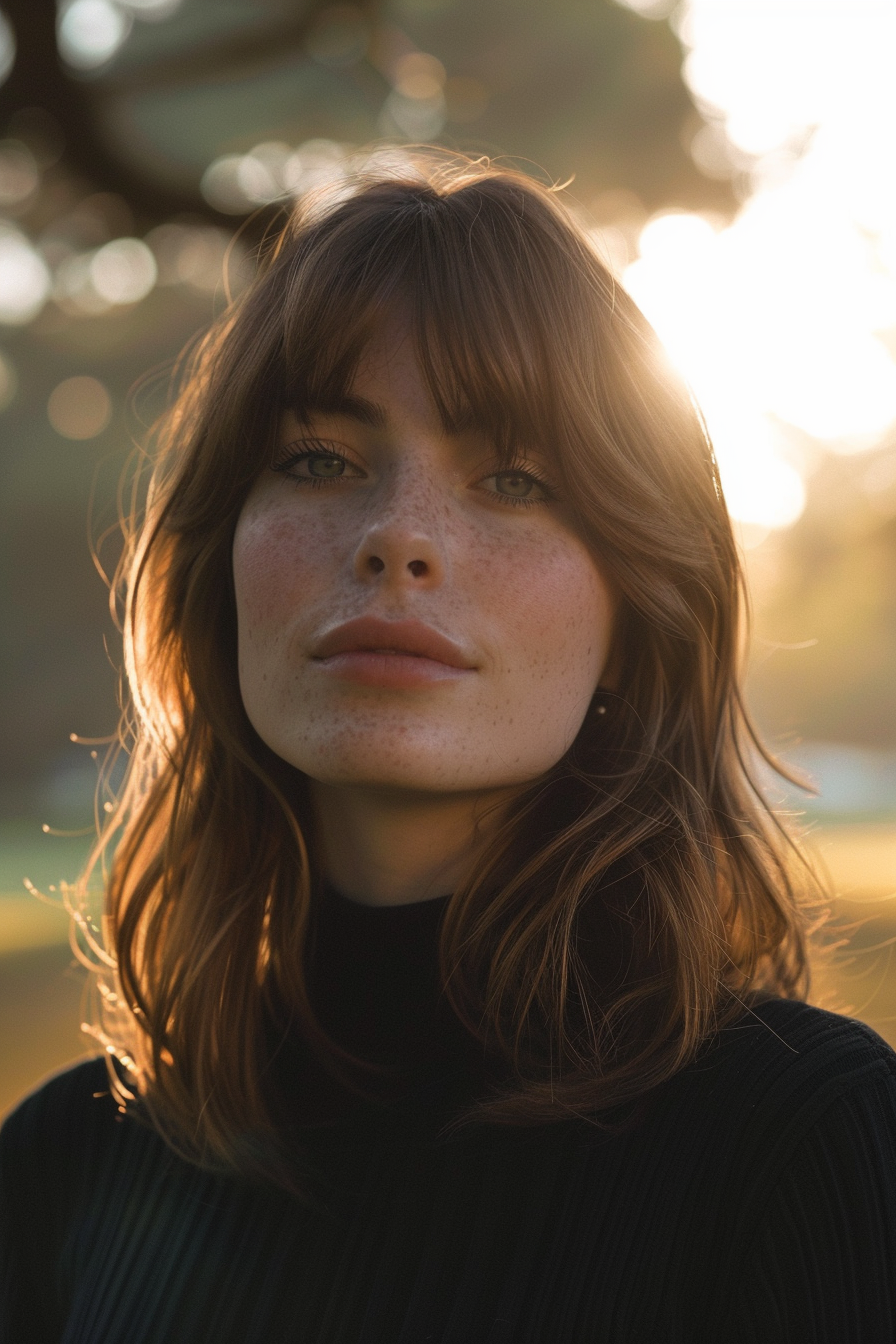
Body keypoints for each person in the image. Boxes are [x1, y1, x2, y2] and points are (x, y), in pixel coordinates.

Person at [1, 151, 895, 1344]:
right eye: (318, 459)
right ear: (219, 574)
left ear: (636, 616)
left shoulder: (798, 1142)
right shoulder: (63, 1169)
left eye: (515, 479)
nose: (396, 539)